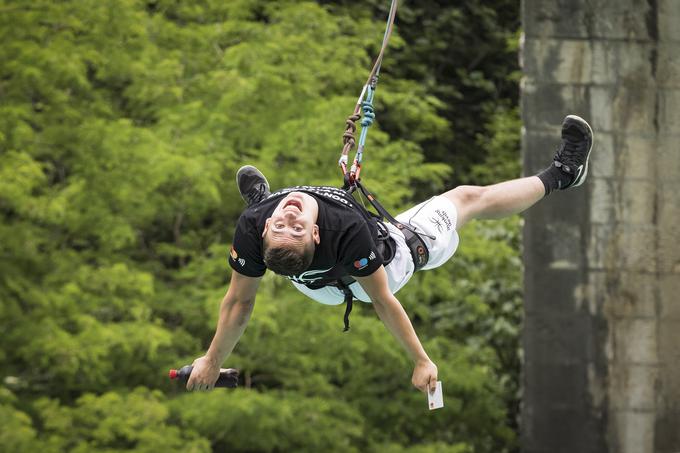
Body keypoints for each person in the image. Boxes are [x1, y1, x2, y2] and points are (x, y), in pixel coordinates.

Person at [186, 115, 594, 394]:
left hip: (318, 275)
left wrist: (209, 359)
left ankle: (272, 217)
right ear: (314, 232)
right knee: (469, 198)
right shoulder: (344, 229)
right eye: (290, 226)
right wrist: (421, 360)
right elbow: (382, 300)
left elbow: (241, 295)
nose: (288, 213)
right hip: (390, 264)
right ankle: (563, 174)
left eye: (283, 223)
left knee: (271, 219)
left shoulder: (257, 221)